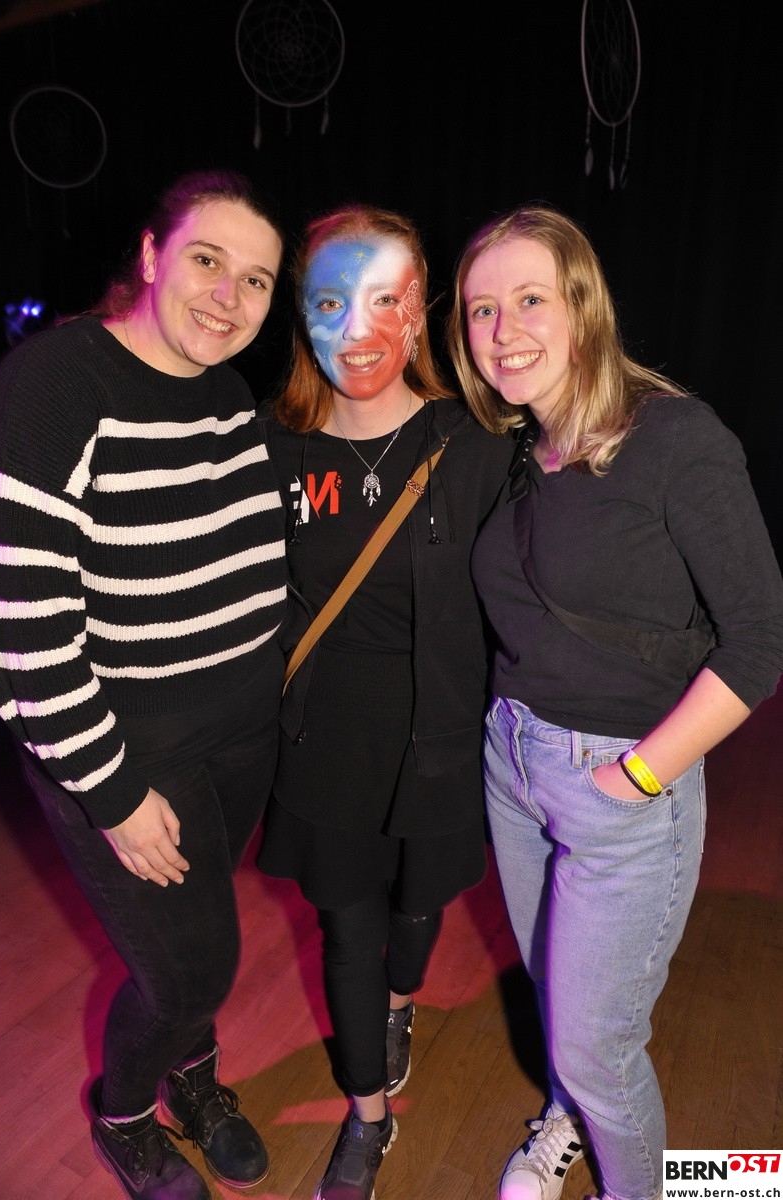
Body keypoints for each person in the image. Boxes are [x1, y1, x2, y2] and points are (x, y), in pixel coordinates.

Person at [446, 204, 783, 1200]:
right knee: (559, 998)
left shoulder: (675, 438)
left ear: (583, 305)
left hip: (623, 783)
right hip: (512, 764)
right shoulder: (519, 446)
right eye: (480, 309)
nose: (503, 330)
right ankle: (566, 1118)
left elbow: (759, 643)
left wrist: (635, 777)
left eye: (530, 300)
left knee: (598, 1046)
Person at [0, 169, 288, 1200]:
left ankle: (192, 1078)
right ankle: (122, 1115)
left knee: (196, 939)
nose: (230, 298)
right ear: (153, 256)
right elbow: (19, 633)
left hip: (238, 737)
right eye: (208, 260)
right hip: (125, 749)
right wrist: (110, 793)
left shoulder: (227, 396)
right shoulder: (59, 382)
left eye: (257, 280)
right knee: (192, 968)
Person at [255, 203, 515, 1200]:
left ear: (421, 309)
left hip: (441, 735)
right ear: (303, 314)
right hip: (322, 742)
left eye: (384, 300)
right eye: (330, 302)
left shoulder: (478, 442)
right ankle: (368, 1117)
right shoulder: (271, 449)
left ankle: (403, 1003)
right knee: (347, 930)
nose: (357, 329)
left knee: (419, 904)